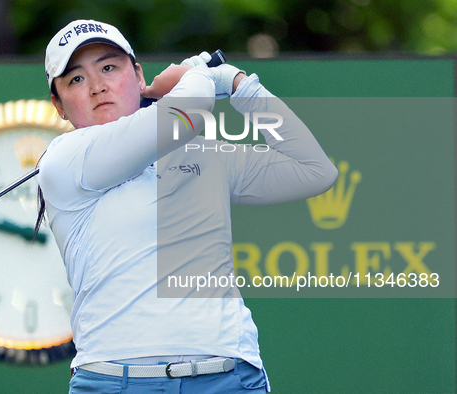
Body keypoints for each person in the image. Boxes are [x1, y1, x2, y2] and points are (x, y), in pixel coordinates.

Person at [36, 19, 338, 393]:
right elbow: (185, 115)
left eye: (109, 67)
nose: (98, 86)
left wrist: (240, 85)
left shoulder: (204, 155)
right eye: (76, 80)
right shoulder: (64, 161)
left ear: (138, 75)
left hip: (226, 376)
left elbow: (314, 170)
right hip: (112, 381)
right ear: (59, 105)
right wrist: (198, 74)